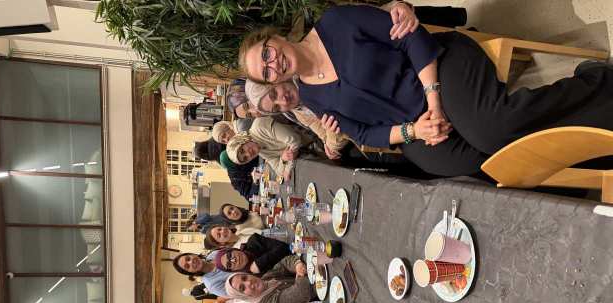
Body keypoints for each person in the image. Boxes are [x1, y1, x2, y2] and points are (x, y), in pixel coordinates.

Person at [238, 4, 613, 177]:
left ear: (274, 38)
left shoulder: (336, 22)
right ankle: (586, 152)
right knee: (476, 166)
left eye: (267, 53)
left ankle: (595, 85)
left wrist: (434, 102)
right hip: (415, 126)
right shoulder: (311, 97)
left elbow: (410, 37)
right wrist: (414, 131)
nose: (274, 64)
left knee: (492, 128)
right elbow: (363, 133)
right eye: (266, 72)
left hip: (437, 69)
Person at [224, 255, 314, 303]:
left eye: (244, 278)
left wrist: (297, 265)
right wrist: (301, 272)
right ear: (243, 297)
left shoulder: (265, 280)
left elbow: (283, 263)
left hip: (316, 282)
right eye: (242, 288)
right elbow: (301, 293)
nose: (248, 282)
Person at [226, 116, 308, 180]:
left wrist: (287, 168)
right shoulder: (260, 151)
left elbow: (295, 140)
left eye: (242, 150)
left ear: (242, 140)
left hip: (310, 134)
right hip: (306, 152)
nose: (248, 154)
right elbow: (279, 172)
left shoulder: (259, 127)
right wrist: (283, 159)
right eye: (245, 158)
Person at [214, 232, 291, 275]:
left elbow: (284, 248)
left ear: (233, 249)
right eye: (229, 264)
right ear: (233, 270)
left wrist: (260, 263)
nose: (234, 260)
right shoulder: (248, 279)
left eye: (229, 255)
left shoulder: (254, 241)